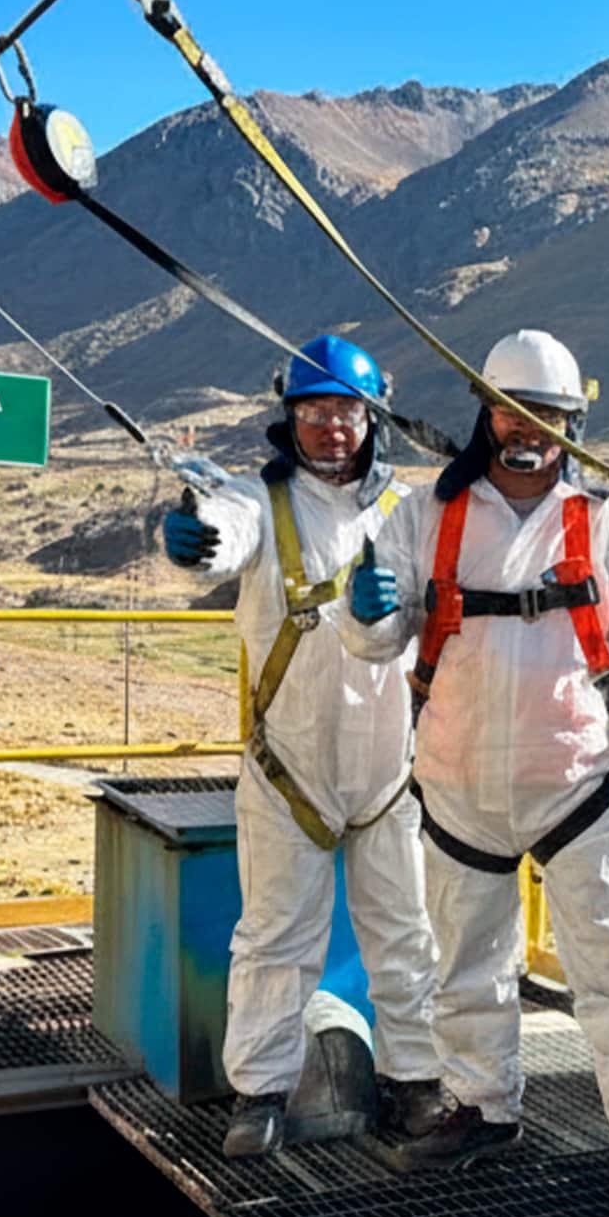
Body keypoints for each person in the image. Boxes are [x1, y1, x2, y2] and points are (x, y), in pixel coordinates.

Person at [337, 330, 609, 1211]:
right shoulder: (426, 517)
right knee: (465, 961)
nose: (530, 429)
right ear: (486, 414)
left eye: (550, 415)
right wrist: (367, 615)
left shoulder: (607, 521)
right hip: (460, 788)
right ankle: (483, 1107)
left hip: (577, 785)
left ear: (570, 423)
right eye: (514, 410)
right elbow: (384, 641)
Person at [160, 335, 441, 1159]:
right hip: (289, 770)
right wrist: (193, 536)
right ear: (289, 420)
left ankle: (416, 1082)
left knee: (405, 933)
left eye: (345, 412)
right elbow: (221, 531)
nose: (330, 428)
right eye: (313, 412)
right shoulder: (258, 503)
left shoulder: (408, 514)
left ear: (372, 417)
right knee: (276, 935)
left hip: (391, 766)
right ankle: (260, 1092)